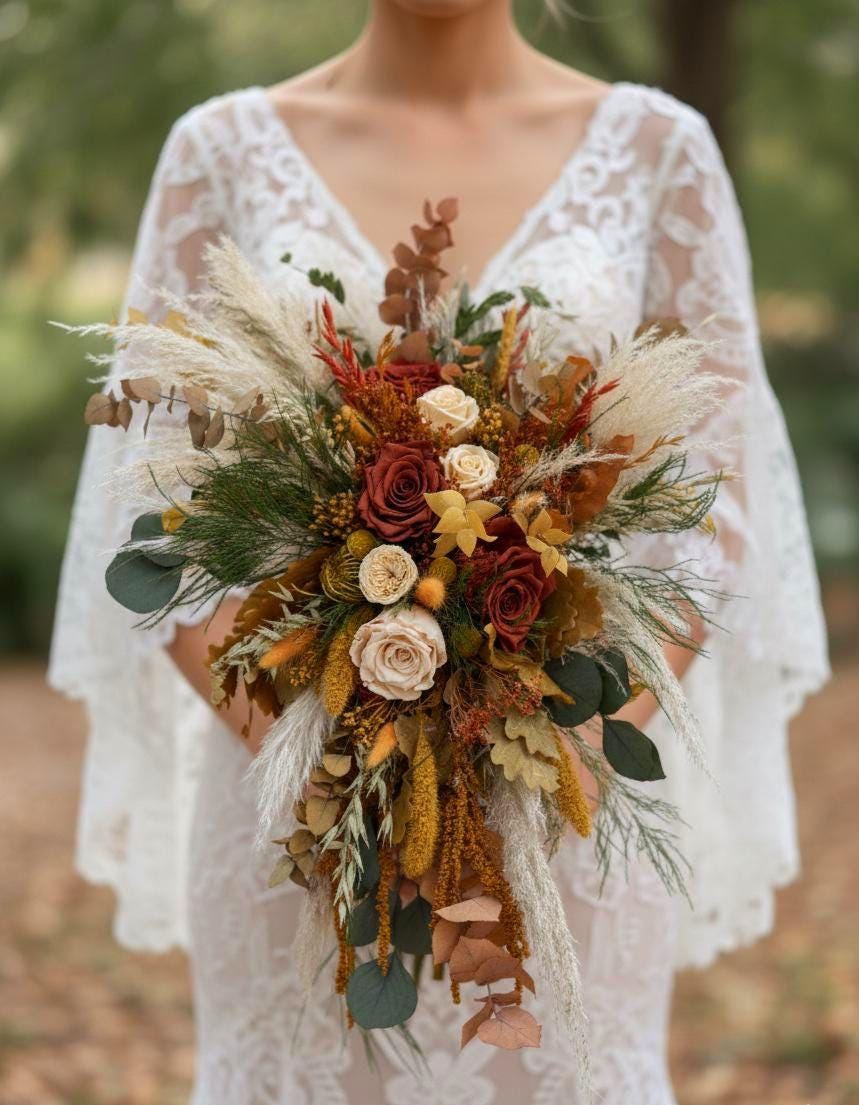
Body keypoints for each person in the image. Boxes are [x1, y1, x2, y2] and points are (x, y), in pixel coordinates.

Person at [49, 1, 829, 1102]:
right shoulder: (217, 149)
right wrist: (321, 759)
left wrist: (573, 752)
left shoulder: (660, 151)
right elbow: (150, 498)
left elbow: (713, 504)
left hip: (570, 790)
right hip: (297, 804)